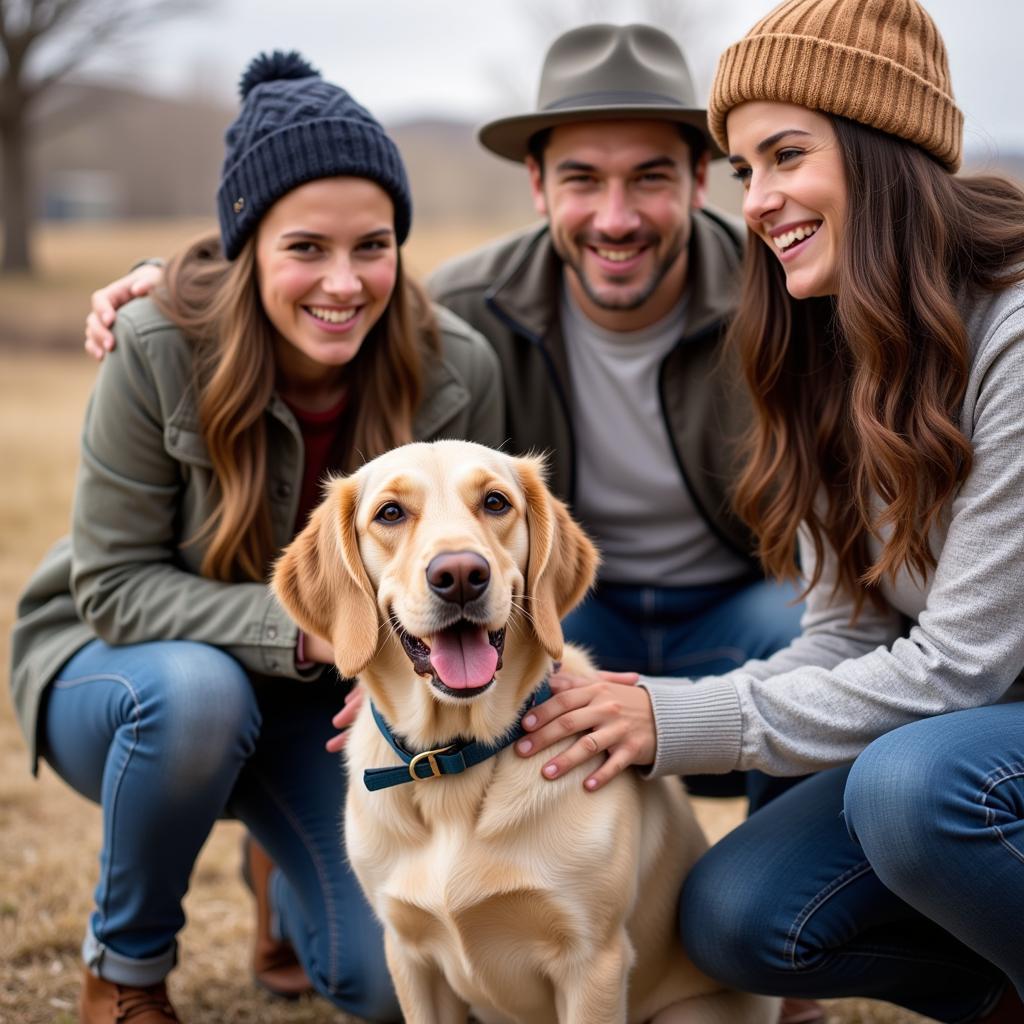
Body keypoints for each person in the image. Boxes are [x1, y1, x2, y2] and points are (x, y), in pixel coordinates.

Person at [512, 1, 1024, 1021]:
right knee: (736, 918)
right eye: (747, 170)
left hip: (973, 738)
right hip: (979, 737)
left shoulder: (1009, 328)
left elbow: (962, 669)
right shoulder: (826, 345)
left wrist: (672, 717)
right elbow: (841, 635)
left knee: (908, 787)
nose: (759, 199)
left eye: (786, 155)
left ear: (885, 149)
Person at [86, 23, 805, 709]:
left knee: (806, 630)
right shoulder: (468, 309)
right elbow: (320, 265)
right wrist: (177, 285)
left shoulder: (784, 295)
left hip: (740, 608)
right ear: (537, 182)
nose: (615, 218)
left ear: (697, 179)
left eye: (649, 178)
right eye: (582, 179)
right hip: (562, 609)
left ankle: (791, 839)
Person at [10, 51, 502, 1023]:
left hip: (323, 711)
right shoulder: (155, 345)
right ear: (246, 248)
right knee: (200, 694)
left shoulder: (456, 366)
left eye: (372, 246)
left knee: (390, 986)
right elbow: (111, 585)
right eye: (304, 248)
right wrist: (317, 634)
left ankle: (279, 866)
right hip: (127, 676)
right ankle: (126, 970)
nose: (343, 281)